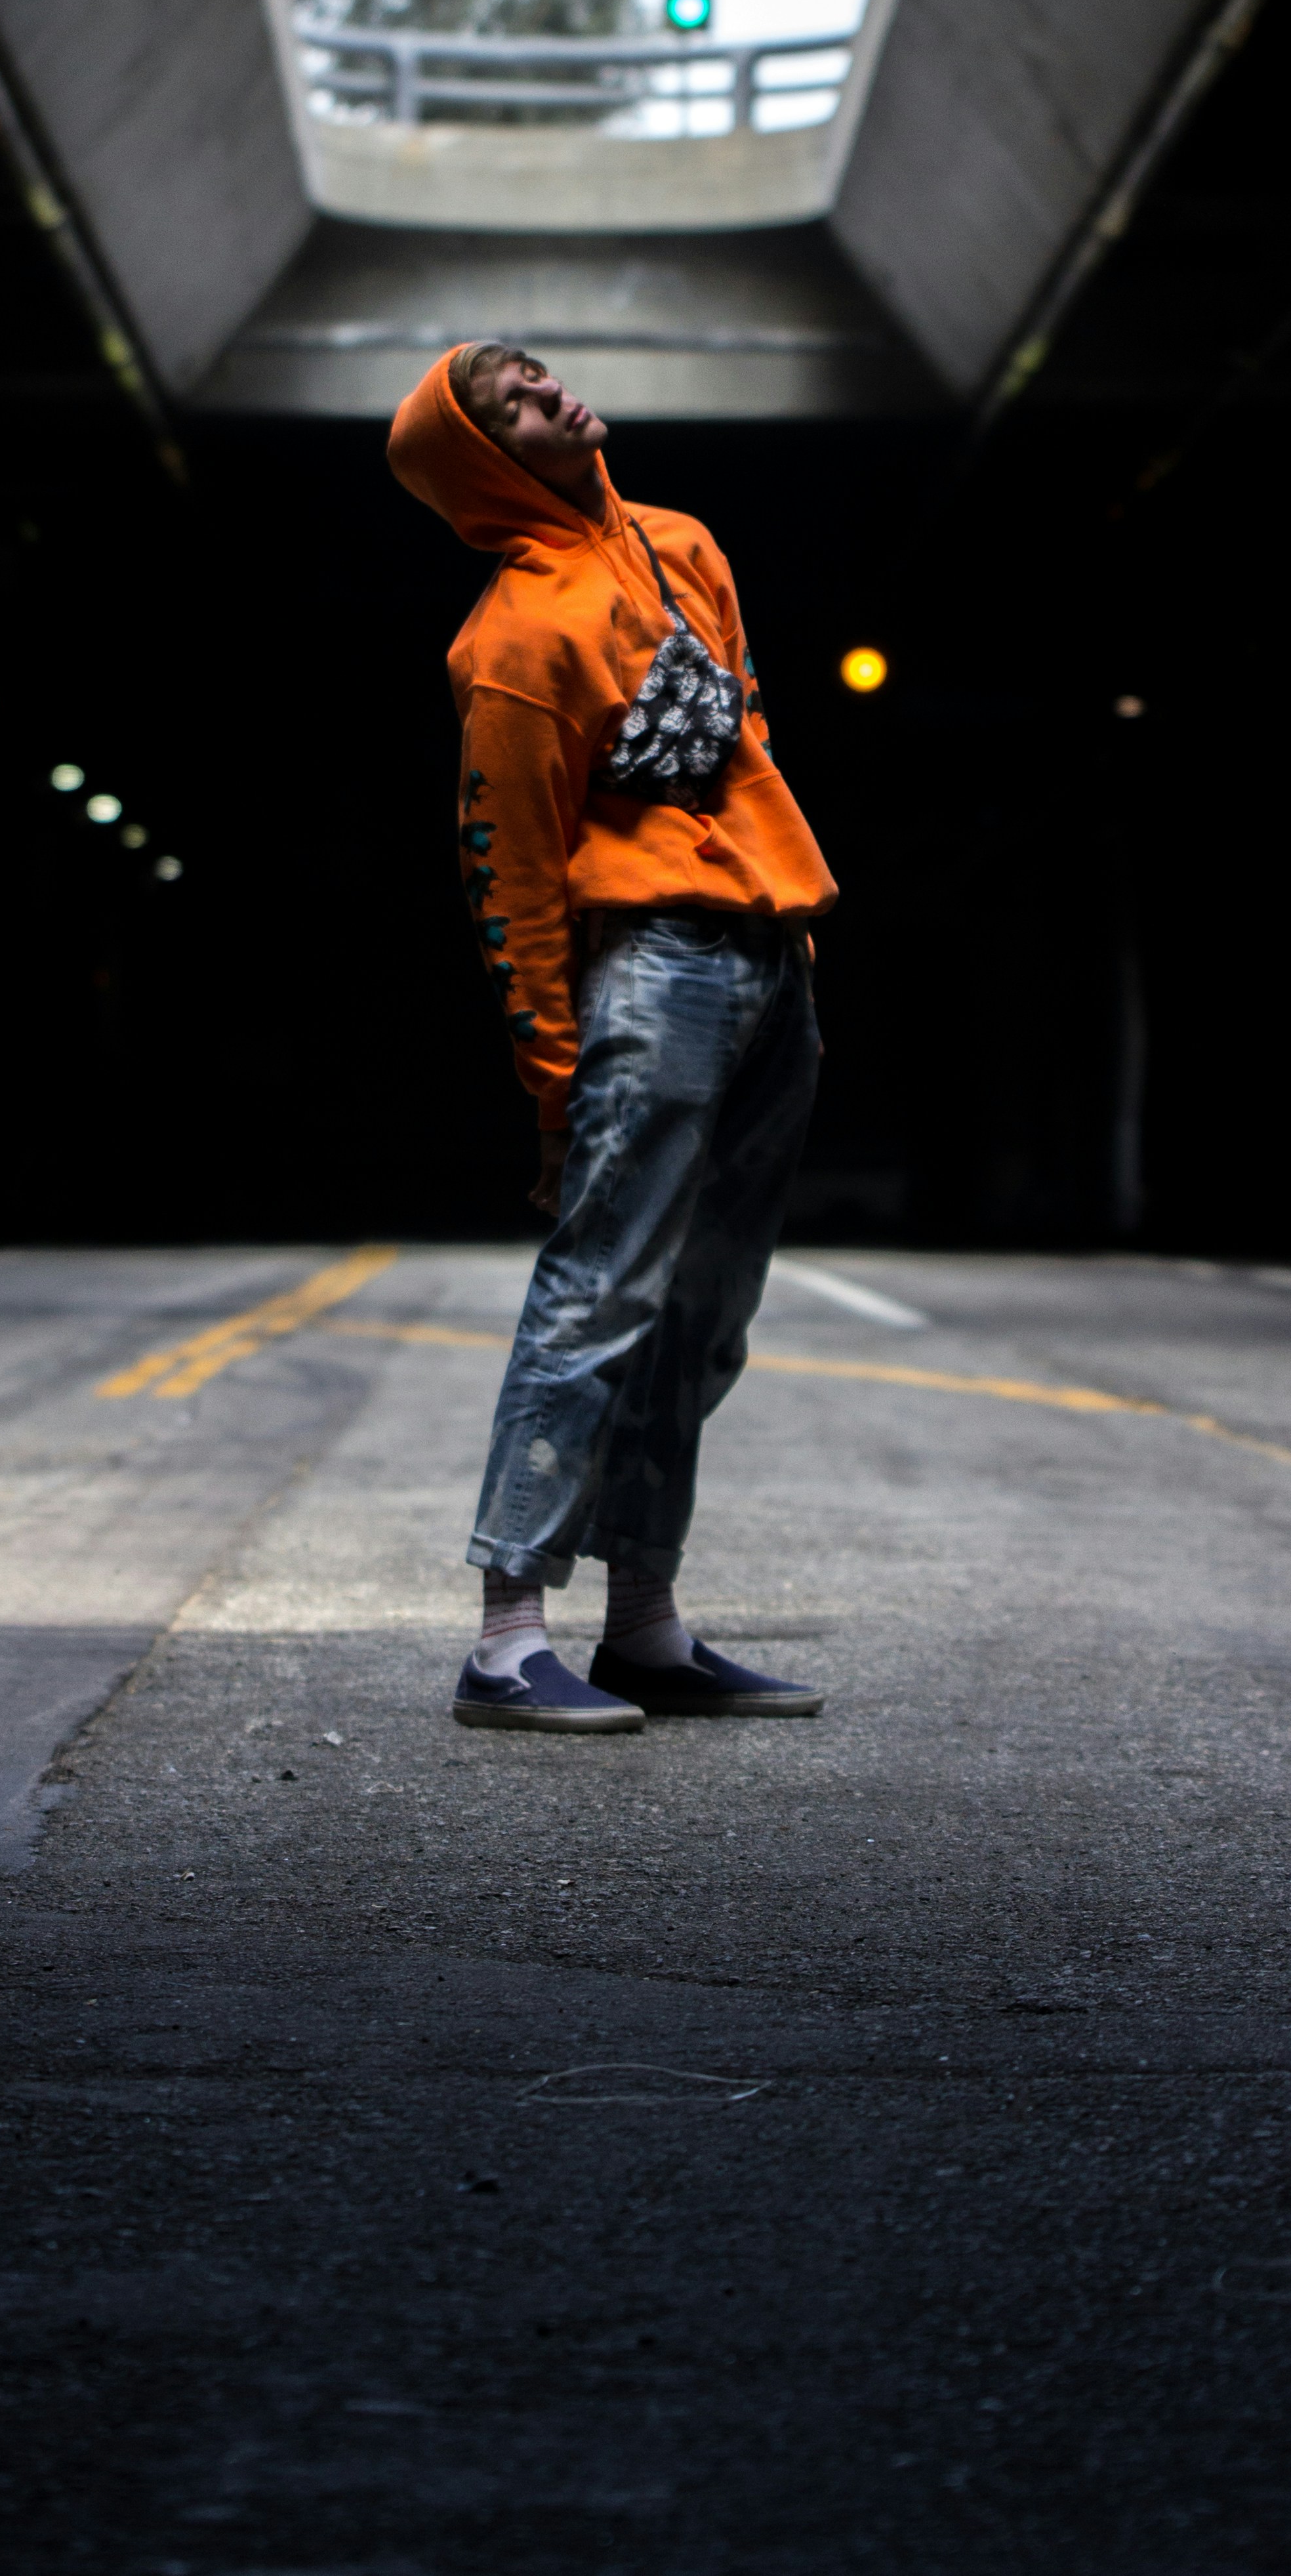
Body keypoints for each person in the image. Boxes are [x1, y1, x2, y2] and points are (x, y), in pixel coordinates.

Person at [386, 342, 837, 1733]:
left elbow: (740, 736)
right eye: (513, 405)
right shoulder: (512, 642)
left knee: (709, 1307)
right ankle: (506, 1636)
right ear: (486, 462)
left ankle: (643, 1625)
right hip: (648, 964)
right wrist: (552, 1082)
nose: (552, 398)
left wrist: (783, 928)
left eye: (537, 378)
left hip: (766, 954)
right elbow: (506, 877)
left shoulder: (682, 544)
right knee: (599, 1291)